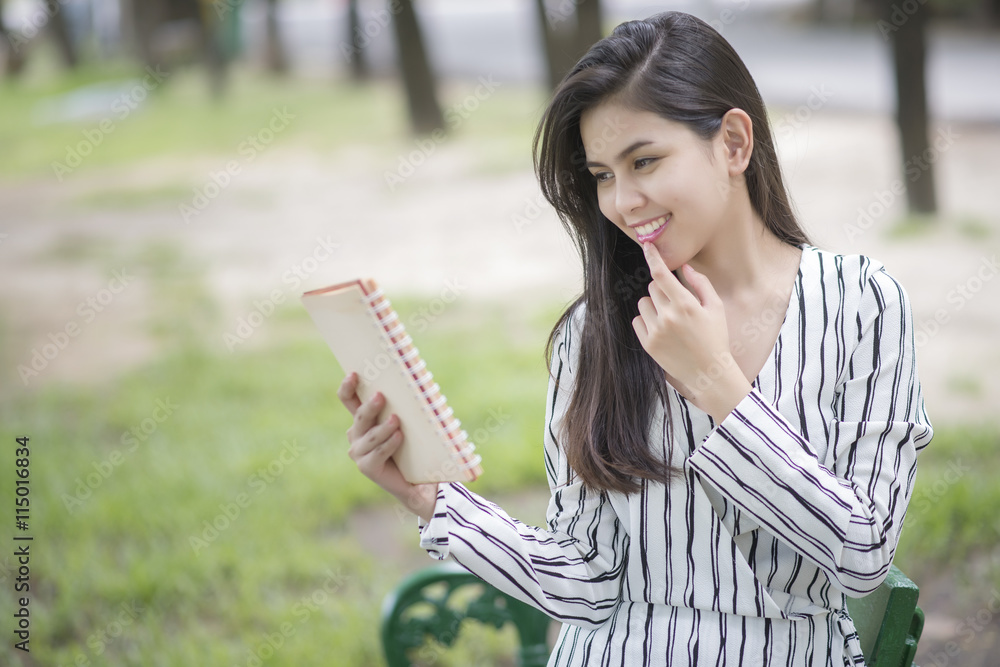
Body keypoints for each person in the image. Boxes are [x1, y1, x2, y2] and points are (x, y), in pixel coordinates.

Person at [337, 11, 933, 666]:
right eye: (601, 175)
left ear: (733, 143)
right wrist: (430, 500)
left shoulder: (862, 304)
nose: (622, 201)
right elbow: (586, 581)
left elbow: (863, 554)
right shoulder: (594, 331)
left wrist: (716, 383)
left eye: (644, 160)